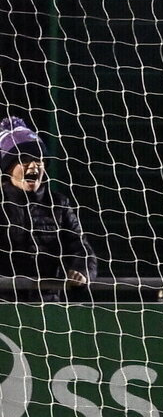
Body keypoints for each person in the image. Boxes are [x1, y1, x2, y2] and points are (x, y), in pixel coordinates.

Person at [0, 116, 96, 301]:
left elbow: (81, 248)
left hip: (47, 310)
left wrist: (82, 270)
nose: (34, 165)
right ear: (8, 168)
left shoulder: (58, 204)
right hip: (5, 307)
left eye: (39, 159)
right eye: (25, 159)